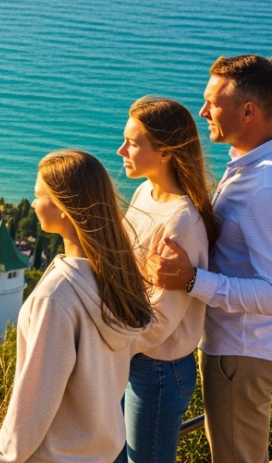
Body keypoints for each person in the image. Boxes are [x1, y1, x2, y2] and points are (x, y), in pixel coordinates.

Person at [152, 55, 272, 463]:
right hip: (246, 350)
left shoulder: (268, 187)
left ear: (248, 111)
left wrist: (191, 281)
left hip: (242, 354)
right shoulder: (268, 160)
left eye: (212, 102)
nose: (203, 111)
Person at [0, 150, 153, 463]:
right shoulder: (117, 279)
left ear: (63, 207)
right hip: (101, 453)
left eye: (38, 195)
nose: (32, 203)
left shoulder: (57, 297)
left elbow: (34, 403)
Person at [115, 97, 219, 463]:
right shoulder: (146, 191)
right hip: (134, 354)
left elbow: (161, 320)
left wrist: (108, 342)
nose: (121, 150)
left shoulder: (181, 222)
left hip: (157, 367)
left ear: (165, 153)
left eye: (133, 142)